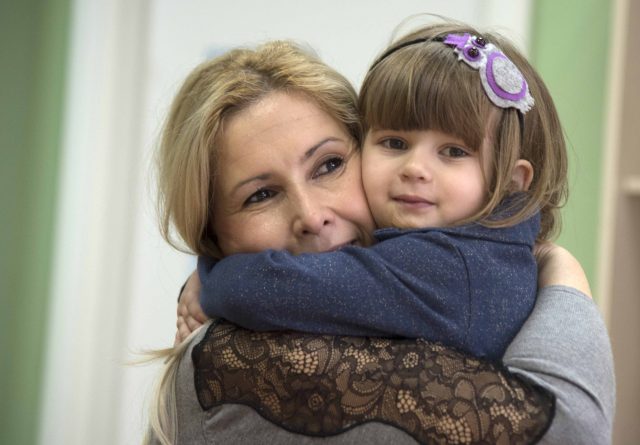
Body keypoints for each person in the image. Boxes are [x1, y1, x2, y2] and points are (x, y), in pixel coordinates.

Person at [147, 35, 614, 444]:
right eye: (261, 195)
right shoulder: (239, 364)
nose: (311, 217)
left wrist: (210, 279)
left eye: (329, 165)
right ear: (211, 234)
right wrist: (563, 274)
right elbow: (567, 431)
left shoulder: (447, 265)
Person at [186, 22, 566, 363]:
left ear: (513, 181)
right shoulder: (490, 252)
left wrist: (212, 273)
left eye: (453, 152)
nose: (415, 169)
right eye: (395, 143)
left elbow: (270, 291)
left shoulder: (452, 266)